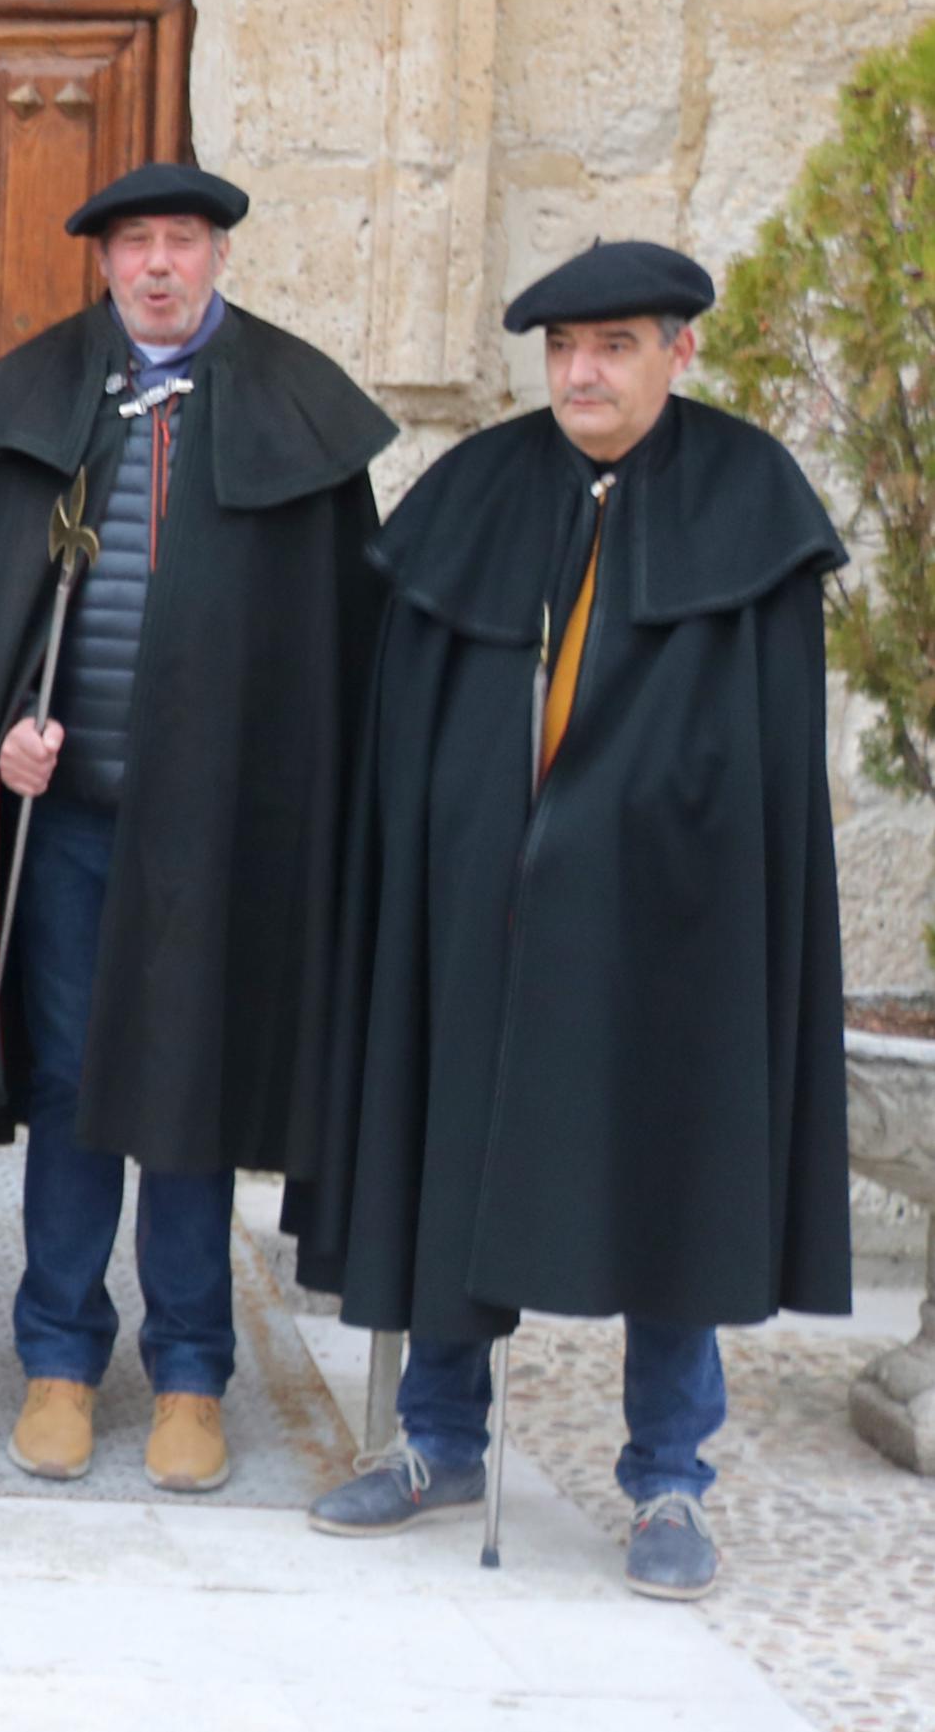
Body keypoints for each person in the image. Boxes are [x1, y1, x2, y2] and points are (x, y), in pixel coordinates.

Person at [287, 242, 850, 1602]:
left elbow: (759, 752)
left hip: (667, 923)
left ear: (678, 352)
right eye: (558, 352)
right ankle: (435, 1440)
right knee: (450, 1161)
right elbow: (409, 713)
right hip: (478, 909)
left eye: (607, 347)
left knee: (668, 1178)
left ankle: (666, 1475)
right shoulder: (477, 488)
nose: (578, 374)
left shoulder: (747, 499)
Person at [0, 161, 391, 1494]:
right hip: (69, 826)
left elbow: (330, 646)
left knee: (187, 1093)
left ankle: (191, 1373)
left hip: (219, 827)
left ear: (214, 256)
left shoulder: (292, 415)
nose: (157, 265)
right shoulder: (38, 407)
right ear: (99, 261)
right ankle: (58, 1359)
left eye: (181, 242)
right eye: (134, 243)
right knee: (74, 1088)